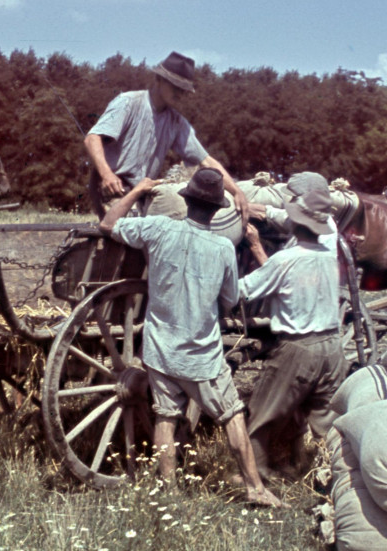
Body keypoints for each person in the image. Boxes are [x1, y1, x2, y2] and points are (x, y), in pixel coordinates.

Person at [99, 167, 281, 507]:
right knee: (231, 415)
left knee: (165, 416)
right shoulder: (225, 249)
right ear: (216, 210)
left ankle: (169, 494)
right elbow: (228, 301)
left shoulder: (158, 228)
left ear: (186, 202)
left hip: (159, 349)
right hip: (201, 355)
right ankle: (255, 489)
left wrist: (138, 190)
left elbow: (108, 225)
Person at [239, 176, 346, 480]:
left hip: (299, 348)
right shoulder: (328, 257)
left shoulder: (284, 260)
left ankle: (256, 476)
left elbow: (241, 291)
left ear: (294, 224)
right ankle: (338, 476)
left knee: (261, 412)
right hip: (332, 346)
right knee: (327, 417)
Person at [85, 51, 248, 225]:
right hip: (113, 190)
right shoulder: (128, 102)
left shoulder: (176, 122)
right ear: (159, 79)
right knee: (127, 236)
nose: (179, 93)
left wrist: (237, 192)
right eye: (175, 86)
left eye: (183, 89)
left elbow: (206, 161)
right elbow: (92, 138)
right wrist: (107, 175)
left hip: (143, 193)